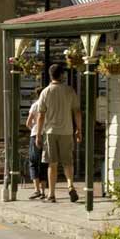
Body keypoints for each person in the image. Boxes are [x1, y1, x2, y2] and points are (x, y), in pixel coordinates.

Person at [36, 64, 82, 203]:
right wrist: (79, 129)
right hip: (67, 131)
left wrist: (38, 134)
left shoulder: (45, 92)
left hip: (50, 132)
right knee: (68, 162)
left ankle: (51, 194)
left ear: (50, 75)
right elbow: (77, 112)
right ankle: (70, 185)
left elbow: (41, 115)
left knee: (52, 164)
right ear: (62, 75)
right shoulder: (69, 91)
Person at [26, 86, 47, 200]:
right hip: (46, 134)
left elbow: (28, 122)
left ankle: (36, 190)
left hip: (35, 135)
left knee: (33, 162)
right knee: (44, 162)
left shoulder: (35, 105)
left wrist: (33, 129)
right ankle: (44, 191)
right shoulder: (48, 105)